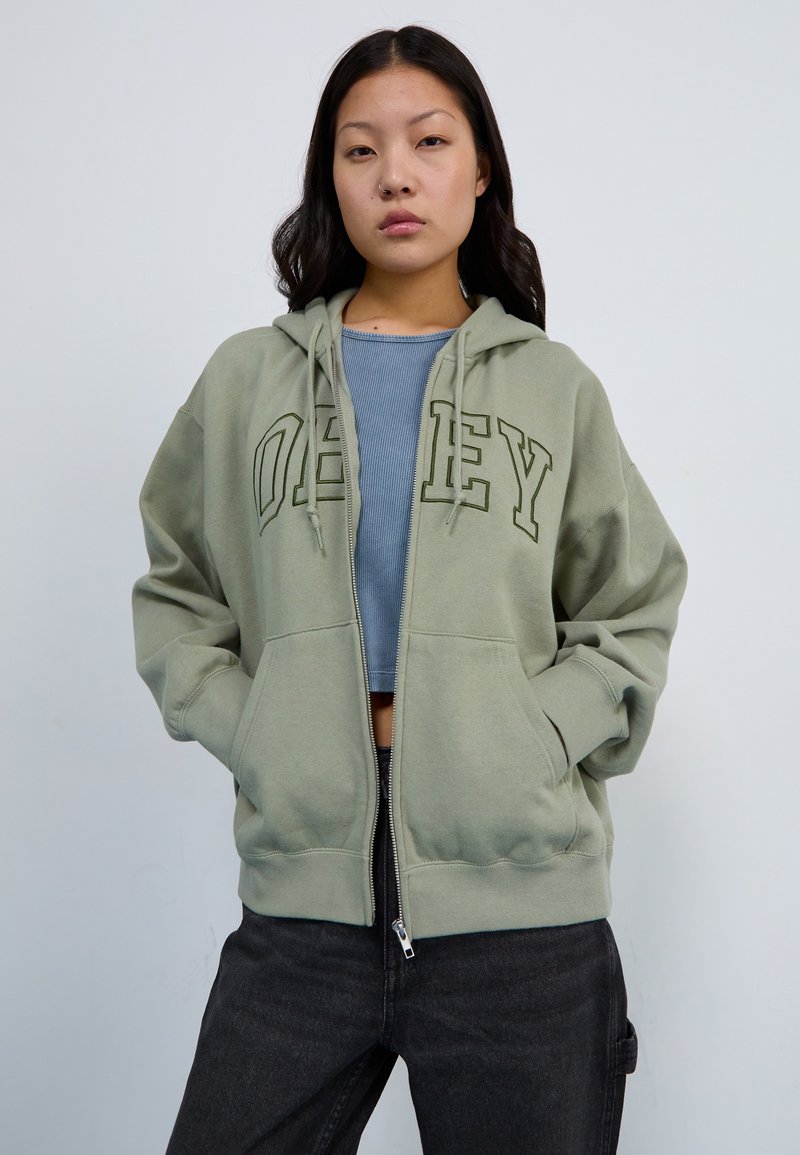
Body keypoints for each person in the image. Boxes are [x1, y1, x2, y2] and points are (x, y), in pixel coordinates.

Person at [131, 23, 687, 1154]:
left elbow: (631, 607)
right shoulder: (245, 382)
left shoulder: (551, 388)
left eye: (429, 141)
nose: (394, 174)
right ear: (329, 178)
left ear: (479, 171)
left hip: (525, 926)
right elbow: (178, 593)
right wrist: (256, 727)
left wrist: (536, 734)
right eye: (360, 149)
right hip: (302, 915)